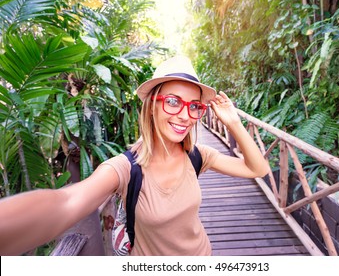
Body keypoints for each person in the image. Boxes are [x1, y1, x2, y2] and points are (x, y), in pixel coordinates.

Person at [0, 55, 269, 256]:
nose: (185, 116)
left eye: (194, 107)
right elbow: (66, 202)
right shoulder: (126, 168)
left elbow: (256, 169)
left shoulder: (197, 155)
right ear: (152, 104)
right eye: (173, 101)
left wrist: (233, 122)